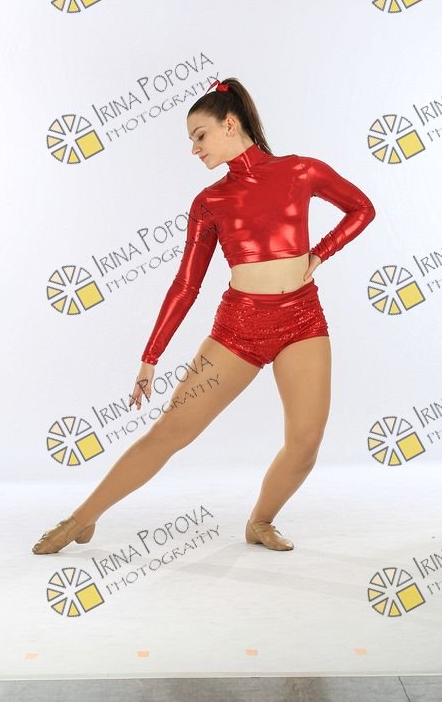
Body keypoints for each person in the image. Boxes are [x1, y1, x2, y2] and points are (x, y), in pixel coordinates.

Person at [32, 78, 376, 555]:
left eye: (199, 135)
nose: (194, 149)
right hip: (239, 329)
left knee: (305, 442)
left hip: (302, 321)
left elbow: (362, 208)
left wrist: (320, 253)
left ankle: (260, 521)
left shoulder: (301, 171)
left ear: (230, 124)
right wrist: (151, 357)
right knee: (171, 431)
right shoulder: (209, 202)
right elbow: (185, 286)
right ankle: (81, 519)